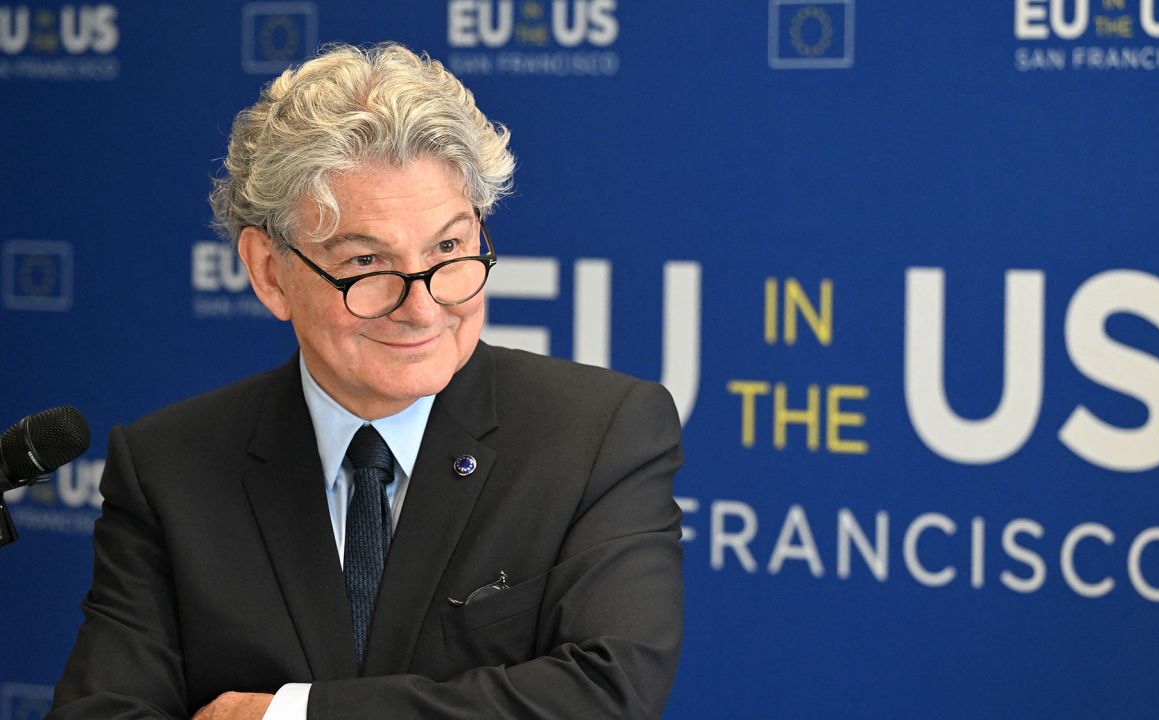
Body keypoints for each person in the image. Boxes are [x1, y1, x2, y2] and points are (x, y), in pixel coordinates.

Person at [50, 42, 684, 719]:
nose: (423, 306)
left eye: (447, 250)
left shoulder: (600, 434)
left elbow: (606, 693)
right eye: (367, 262)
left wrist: (291, 716)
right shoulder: (168, 469)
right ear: (269, 272)